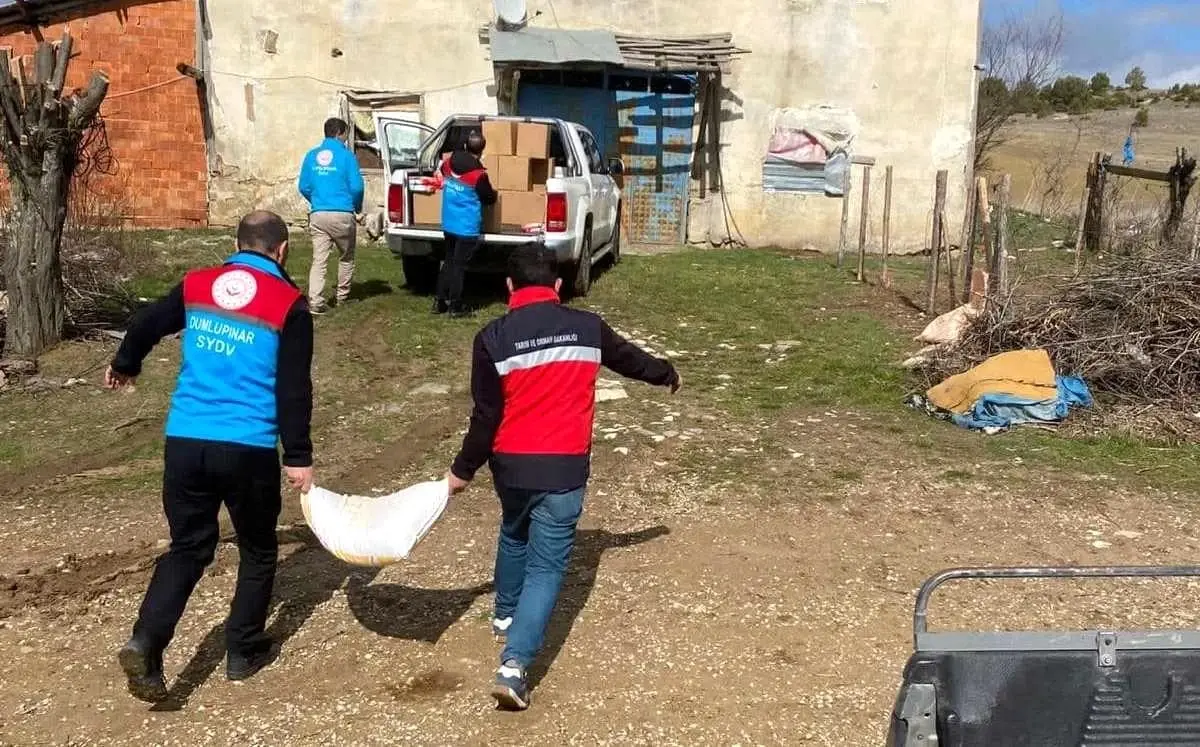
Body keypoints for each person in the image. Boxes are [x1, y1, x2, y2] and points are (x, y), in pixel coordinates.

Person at [445, 243, 682, 710]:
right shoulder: (587, 329)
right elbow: (631, 359)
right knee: (548, 567)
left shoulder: (491, 338)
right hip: (563, 469)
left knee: (514, 530)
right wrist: (666, 373)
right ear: (558, 286)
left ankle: (506, 614)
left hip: (509, 467)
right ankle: (513, 667)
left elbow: (485, 416)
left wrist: (462, 469)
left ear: (508, 287)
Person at [104, 211, 315, 702]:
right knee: (258, 548)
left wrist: (124, 364)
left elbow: (148, 321)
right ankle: (242, 650)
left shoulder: (199, 284)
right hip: (248, 446)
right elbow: (293, 388)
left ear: (236, 243)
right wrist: (298, 454)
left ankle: (147, 642)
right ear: (281, 251)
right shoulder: (289, 303)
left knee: (188, 547)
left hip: (186, 442)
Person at [299, 117, 365, 314]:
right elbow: (357, 187)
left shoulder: (311, 156)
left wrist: (317, 200)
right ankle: (342, 297)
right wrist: (356, 205)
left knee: (319, 259)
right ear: (340, 134)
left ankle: (316, 301)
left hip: (318, 213)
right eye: (345, 134)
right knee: (346, 256)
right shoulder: (347, 157)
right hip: (342, 213)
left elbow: (303, 186)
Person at [435, 129, 497, 318]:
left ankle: (439, 301)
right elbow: (488, 198)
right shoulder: (478, 175)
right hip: (466, 226)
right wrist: (495, 194)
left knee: (449, 260)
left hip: (449, 221)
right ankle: (455, 306)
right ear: (481, 151)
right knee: (459, 266)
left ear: (464, 146)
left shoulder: (448, 164)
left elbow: (441, 173)